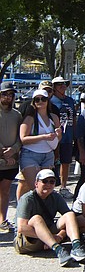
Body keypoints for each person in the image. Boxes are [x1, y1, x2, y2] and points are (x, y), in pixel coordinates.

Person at [15, 169, 85, 265]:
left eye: (52, 182)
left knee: (70, 215)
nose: (48, 184)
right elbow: (22, 228)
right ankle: (59, 251)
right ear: (36, 183)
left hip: (49, 235)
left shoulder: (56, 197)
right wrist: (49, 238)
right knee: (37, 218)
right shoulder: (27, 199)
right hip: (28, 240)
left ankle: (77, 247)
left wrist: (60, 236)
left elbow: (70, 221)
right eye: (44, 181)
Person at [19, 89, 61, 200]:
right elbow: (23, 139)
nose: (40, 101)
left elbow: (58, 138)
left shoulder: (54, 117)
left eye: (43, 99)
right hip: (30, 154)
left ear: (48, 101)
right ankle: (25, 212)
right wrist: (44, 137)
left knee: (46, 189)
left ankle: (41, 214)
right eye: (37, 99)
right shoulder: (30, 118)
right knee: (35, 188)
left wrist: (58, 134)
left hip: (48, 155)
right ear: (33, 101)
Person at [0, 81, 22, 233]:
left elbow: (21, 137)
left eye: (11, 94)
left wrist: (13, 149)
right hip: (2, 156)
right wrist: (2, 152)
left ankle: (3, 220)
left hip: (11, 161)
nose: (8, 97)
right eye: (5, 94)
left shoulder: (17, 115)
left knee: (5, 191)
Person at [49, 76, 76, 198]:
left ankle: (63, 187)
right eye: (59, 84)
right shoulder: (51, 101)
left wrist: (75, 133)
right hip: (55, 137)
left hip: (68, 136)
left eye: (64, 84)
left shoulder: (70, 100)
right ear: (54, 87)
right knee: (53, 162)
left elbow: (74, 118)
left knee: (66, 162)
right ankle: (50, 187)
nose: (63, 86)